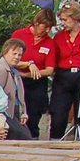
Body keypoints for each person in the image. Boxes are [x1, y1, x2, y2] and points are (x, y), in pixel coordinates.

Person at [47, 3, 80, 140]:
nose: (63, 23)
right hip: (64, 75)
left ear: (76, 18)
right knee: (58, 112)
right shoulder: (59, 36)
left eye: (65, 20)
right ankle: (55, 143)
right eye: (62, 20)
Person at [10, 9, 55, 139]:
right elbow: (8, 58)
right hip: (17, 79)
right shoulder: (19, 34)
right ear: (36, 22)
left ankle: (33, 139)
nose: (47, 30)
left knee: (34, 115)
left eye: (50, 27)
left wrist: (29, 74)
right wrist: (28, 64)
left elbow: (49, 69)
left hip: (36, 81)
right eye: (45, 26)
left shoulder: (49, 42)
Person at [0, 37, 31, 139]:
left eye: (19, 55)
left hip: (15, 112)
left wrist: (23, 113)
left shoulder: (14, 71)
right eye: (14, 53)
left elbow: (20, 97)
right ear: (5, 52)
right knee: (24, 137)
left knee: (27, 137)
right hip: (4, 113)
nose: (17, 57)